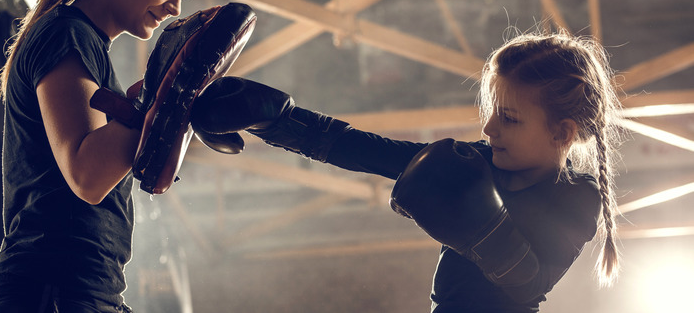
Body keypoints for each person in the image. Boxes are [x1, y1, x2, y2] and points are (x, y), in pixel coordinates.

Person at [191, 30, 623, 312]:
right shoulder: (476, 162)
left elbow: (531, 284)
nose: (489, 128)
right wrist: (275, 120)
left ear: (561, 133)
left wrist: (482, 227)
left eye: (509, 118)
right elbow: (369, 151)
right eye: (491, 113)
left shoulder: (578, 195)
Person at [0, 0, 222, 311]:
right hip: (50, 288)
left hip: (82, 289)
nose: (176, 7)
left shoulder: (86, 46)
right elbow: (87, 175)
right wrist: (170, 96)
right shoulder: (66, 35)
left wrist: (179, 109)